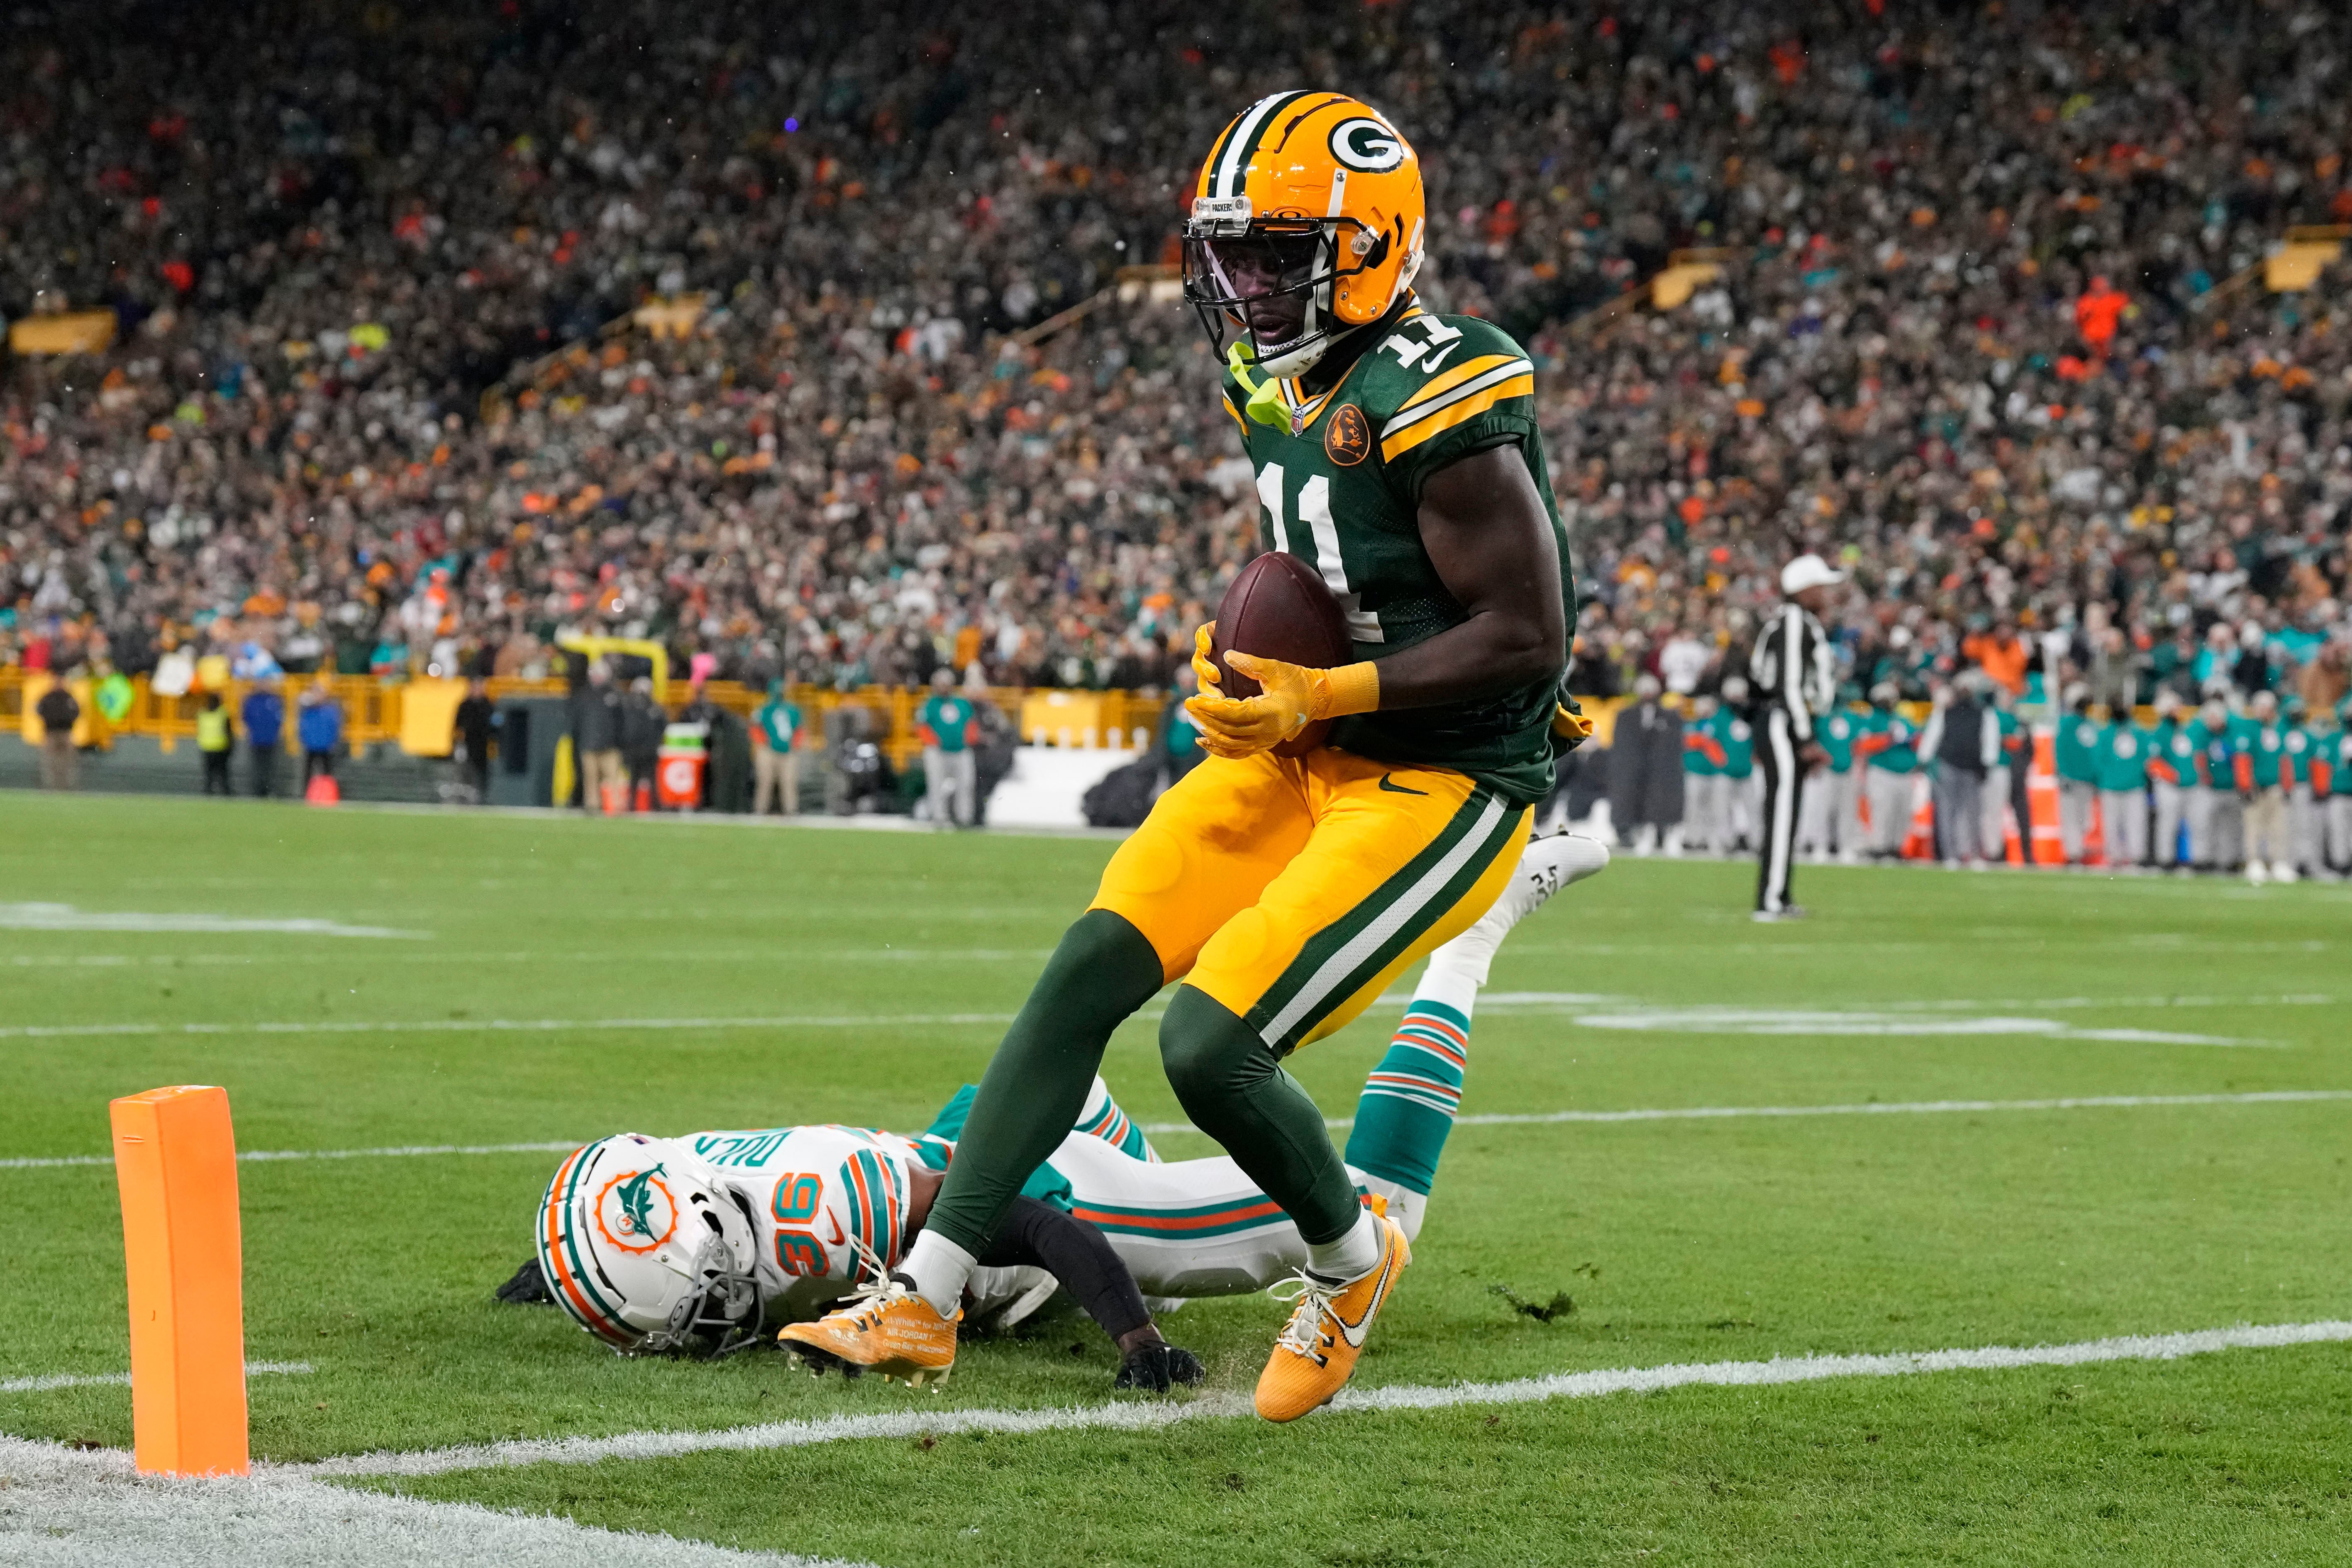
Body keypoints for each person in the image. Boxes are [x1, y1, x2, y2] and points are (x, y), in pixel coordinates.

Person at [780, 94, 1576, 1424]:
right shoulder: (1273, 373)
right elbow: (1316, 567)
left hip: (1439, 772)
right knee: (1087, 966)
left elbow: (1527, 630)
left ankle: (1346, 1260)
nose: (1244, 280)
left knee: (1209, 1046)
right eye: (1232, 252)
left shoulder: (1443, 378)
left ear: (1368, 244)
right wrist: (1243, 666)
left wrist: (1328, 683)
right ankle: (920, 1295)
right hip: (1303, 739)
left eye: (1276, 252)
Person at [528, 831, 1604, 1380]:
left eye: (709, 1292)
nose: (721, 1316)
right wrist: (541, 1279)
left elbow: (1039, 1224)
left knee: (1369, 1216)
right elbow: (597, 1225)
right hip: (1029, 1119)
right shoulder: (693, 1174)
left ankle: (1475, 924)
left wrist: (1135, 1339)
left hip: (1044, 1176)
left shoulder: (820, 1221)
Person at [1746, 555, 1840, 917]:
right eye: (1822, 586)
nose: (1827, 593)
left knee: (1787, 811)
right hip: (1782, 722)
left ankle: (1779, 892)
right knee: (1782, 812)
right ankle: (1771, 898)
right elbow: (1789, 684)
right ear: (1805, 589)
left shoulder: (1791, 622)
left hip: (1782, 722)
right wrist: (1805, 739)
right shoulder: (1795, 622)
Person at [1919, 674, 1998, 867]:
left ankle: (1972, 855)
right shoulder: (1946, 712)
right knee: (1948, 811)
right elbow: (1933, 735)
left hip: (1971, 767)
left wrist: (1988, 763)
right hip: (1949, 765)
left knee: (1972, 812)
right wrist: (1924, 759)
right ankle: (1951, 855)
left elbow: (1990, 738)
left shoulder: (1983, 713)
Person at [1607, 673, 1684, 855]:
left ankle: (1662, 837)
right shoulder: (1625, 716)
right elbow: (1621, 745)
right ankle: (1630, 835)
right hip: (1634, 770)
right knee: (1628, 799)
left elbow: (1673, 746)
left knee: (1661, 801)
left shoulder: (1670, 717)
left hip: (1660, 771)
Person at [1854, 682, 1919, 861]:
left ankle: (1896, 847)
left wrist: (1912, 739)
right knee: (1883, 810)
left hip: (1905, 773)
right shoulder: (1872, 719)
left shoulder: (1902, 719)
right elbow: (1864, 745)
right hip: (1882, 772)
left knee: (1903, 812)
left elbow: (1918, 741)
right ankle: (1879, 847)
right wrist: (1888, 739)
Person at [2234, 690, 2293, 884]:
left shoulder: (2279, 729)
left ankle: (2278, 862)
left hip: (2275, 785)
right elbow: (2242, 759)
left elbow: (2285, 760)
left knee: (2278, 826)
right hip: (2256, 787)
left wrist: (2287, 785)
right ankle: (2254, 862)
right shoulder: (2249, 728)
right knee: (2253, 826)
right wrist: (2245, 785)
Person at [914, 667, 979, 829]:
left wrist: (968, 739)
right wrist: (934, 742)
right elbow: (921, 726)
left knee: (966, 785)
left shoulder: (961, 703)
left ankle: (964, 818)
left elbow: (972, 723)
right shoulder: (930, 704)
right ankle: (939, 817)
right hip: (938, 751)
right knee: (936, 784)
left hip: (961, 750)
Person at [2093, 700, 2152, 868]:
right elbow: (2098, 759)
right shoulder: (2105, 733)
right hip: (2111, 786)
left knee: (2135, 823)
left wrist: (2136, 776)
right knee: (2112, 824)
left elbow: (2145, 758)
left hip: (2133, 786)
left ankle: (2135, 857)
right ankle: (2115, 857)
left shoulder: (2138, 732)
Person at [2146, 691, 2197, 871]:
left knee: (2191, 825)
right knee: (2168, 824)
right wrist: (2173, 776)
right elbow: (2153, 762)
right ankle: (2165, 860)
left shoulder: (2183, 729)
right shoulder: (2161, 731)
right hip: (2169, 786)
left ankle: (2189, 860)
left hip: (2187, 785)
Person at [2053, 687, 2102, 865]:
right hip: (2076, 779)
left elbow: (2061, 751)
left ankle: (2076, 852)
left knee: (2079, 820)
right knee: (2076, 818)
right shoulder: (2082, 725)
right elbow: (2061, 751)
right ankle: (2074, 853)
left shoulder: (2084, 725)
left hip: (2081, 780)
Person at [1679, 690, 1728, 852]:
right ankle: (1692, 838)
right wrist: (1705, 742)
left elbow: (1722, 745)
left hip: (1714, 773)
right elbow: (1688, 741)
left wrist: (1708, 744)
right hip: (1694, 772)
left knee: (1713, 809)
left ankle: (1710, 839)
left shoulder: (1717, 723)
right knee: (1692, 807)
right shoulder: (1691, 723)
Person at [573, 659, 625, 811]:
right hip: (588, 743)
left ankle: (615, 806)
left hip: (610, 745)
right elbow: (577, 720)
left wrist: (619, 741)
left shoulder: (614, 694)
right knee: (591, 778)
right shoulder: (584, 695)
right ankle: (592, 806)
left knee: (614, 777)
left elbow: (622, 721)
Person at [751, 679, 803, 816]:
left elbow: (799, 730)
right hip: (768, 751)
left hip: (787, 751)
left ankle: (791, 811)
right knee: (765, 781)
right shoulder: (764, 709)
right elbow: (755, 728)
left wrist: (795, 745)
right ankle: (760, 810)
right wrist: (763, 743)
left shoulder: (793, 710)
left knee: (789, 782)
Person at [453, 676, 496, 801]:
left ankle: (483, 795)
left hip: (484, 744)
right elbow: (458, 725)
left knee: (483, 770)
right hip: (468, 743)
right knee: (466, 769)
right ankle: (466, 794)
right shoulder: (465, 705)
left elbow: (492, 725)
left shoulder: (488, 704)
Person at [240, 676, 285, 798]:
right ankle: (257, 791)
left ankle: (270, 791)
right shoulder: (251, 700)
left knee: (271, 767)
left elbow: (280, 719)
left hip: (271, 739)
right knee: (256, 767)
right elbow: (245, 718)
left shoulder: (275, 700)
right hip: (256, 739)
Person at [34, 671, 80, 791]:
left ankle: (67, 785)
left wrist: (68, 721)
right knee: (50, 760)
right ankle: (51, 785)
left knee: (67, 760)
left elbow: (77, 711)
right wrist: (49, 721)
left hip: (66, 732)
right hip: (51, 732)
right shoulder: (48, 697)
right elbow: (38, 710)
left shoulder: (68, 697)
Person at [297, 678, 344, 789]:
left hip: (326, 745)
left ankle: (327, 793)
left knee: (327, 772)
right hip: (311, 745)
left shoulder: (330, 709)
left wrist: (334, 741)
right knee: (308, 772)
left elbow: (335, 727)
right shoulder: (308, 709)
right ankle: (307, 793)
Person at [197, 690, 234, 795]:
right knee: (223, 772)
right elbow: (229, 732)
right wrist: (231, 747)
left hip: (207, 747)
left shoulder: (202, 714)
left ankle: (208, 791)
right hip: (221, 747)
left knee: (209, 773)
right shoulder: (223, 714)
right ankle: (226, 792)